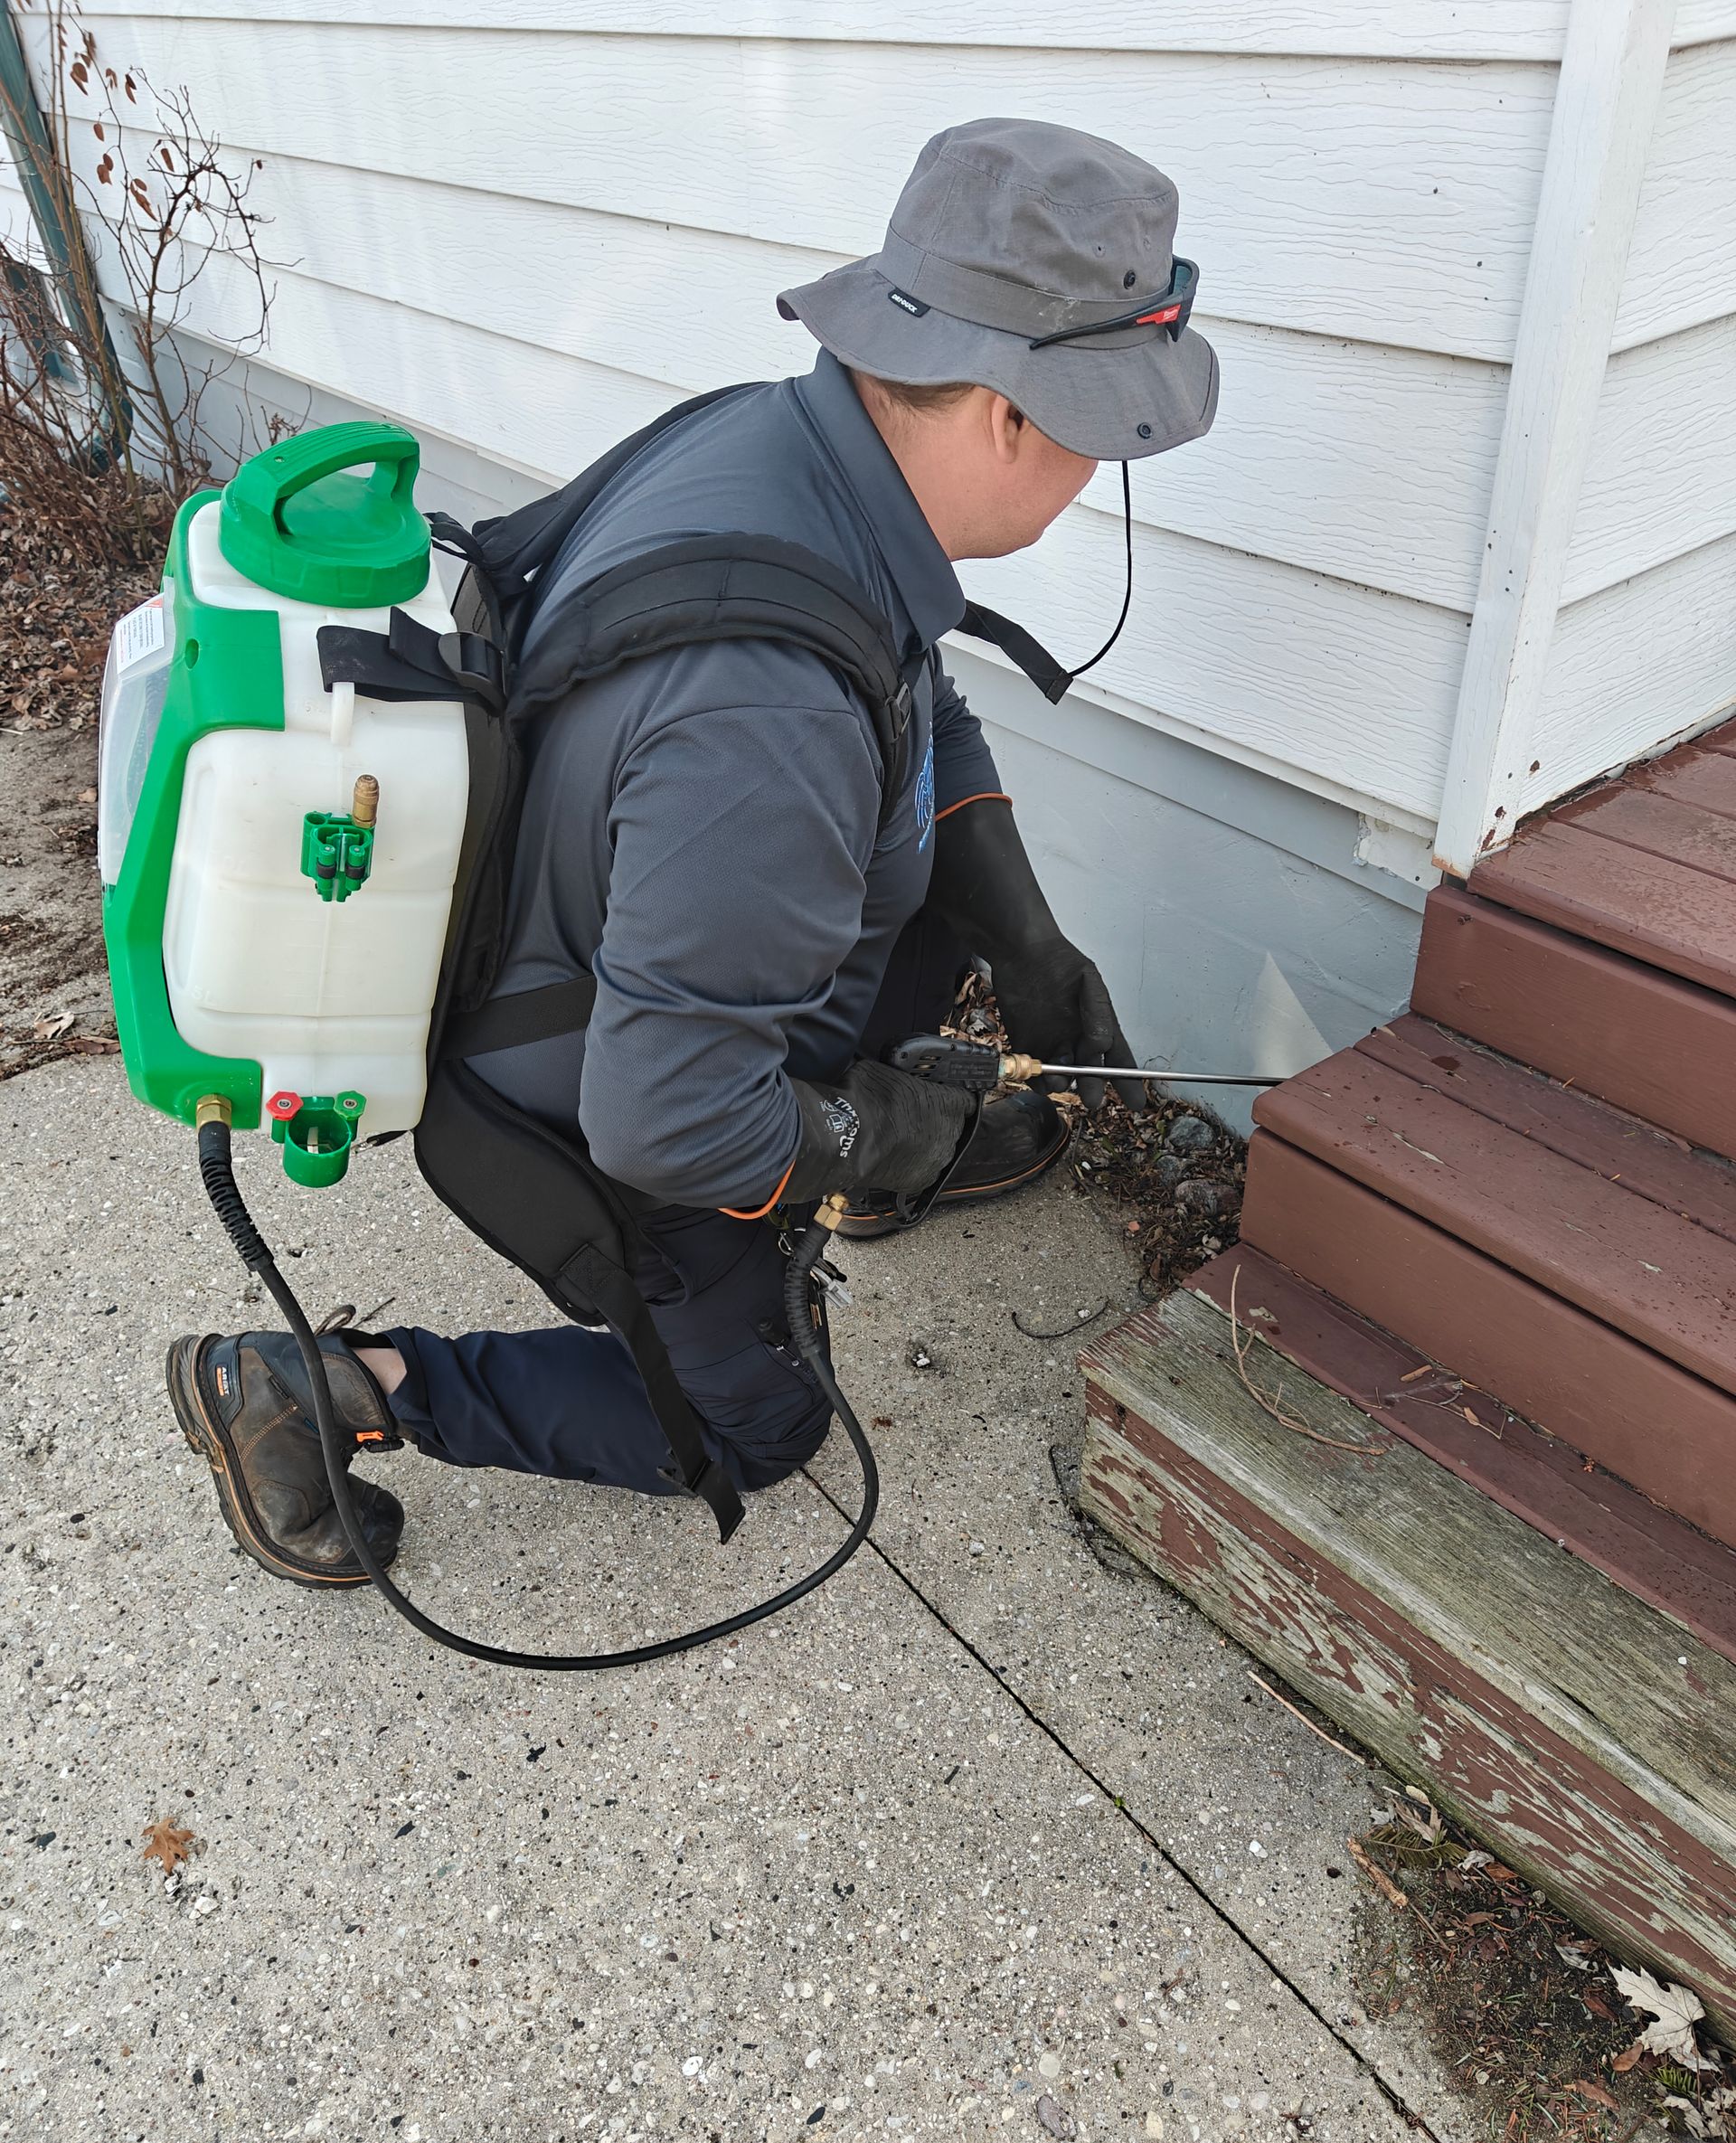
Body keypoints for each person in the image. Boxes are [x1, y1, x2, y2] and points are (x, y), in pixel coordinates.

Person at [165, 117, 1219, 1587]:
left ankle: (842, 1159)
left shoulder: (802, 451)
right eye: (1112, 432)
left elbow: (921, 700)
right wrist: (876, 1126)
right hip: (595, 1094)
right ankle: (328, 1390)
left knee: (890, 950)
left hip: (642, 932)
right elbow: (664, 1114)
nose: (1110, 464)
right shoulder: (765, 723)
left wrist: (1026, 949)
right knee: (759, 1423)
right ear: (1006, 415)